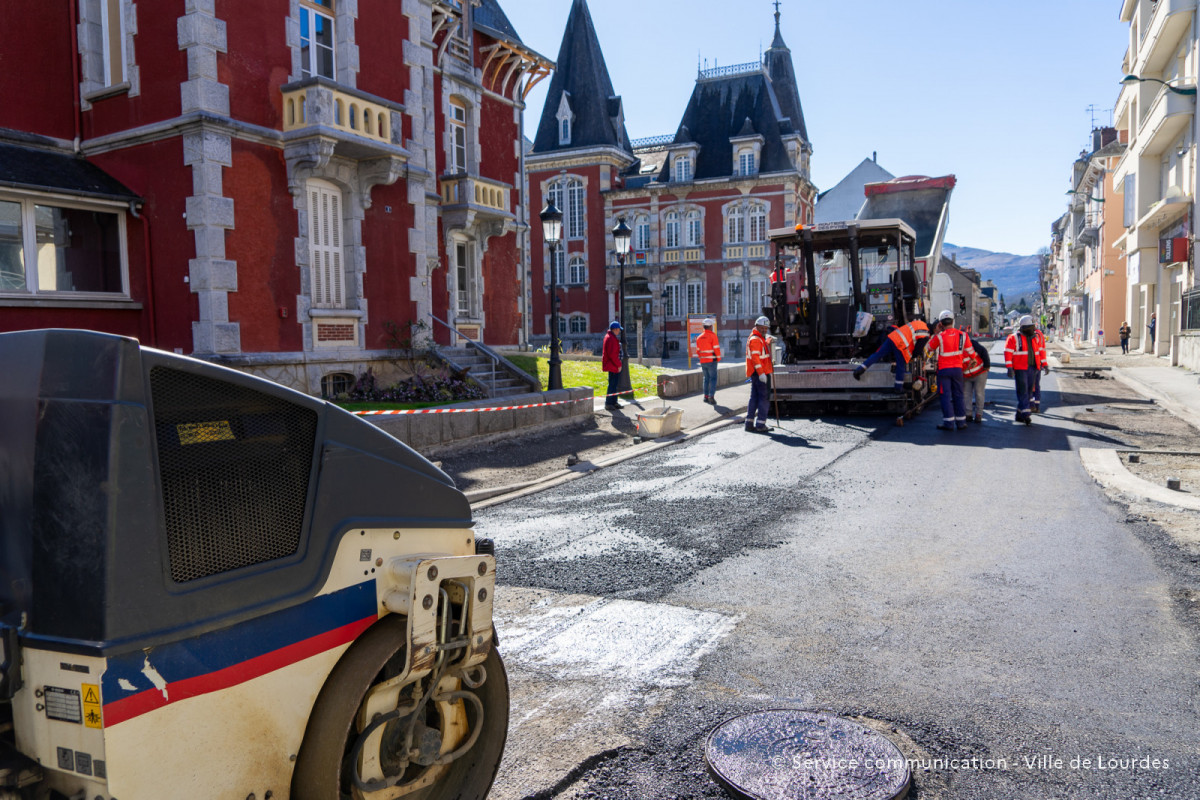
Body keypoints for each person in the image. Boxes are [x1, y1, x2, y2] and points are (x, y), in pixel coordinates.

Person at [852, 315, 930, 392]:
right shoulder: (926, 333)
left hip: (892, 337)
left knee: (877, 355)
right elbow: (917, 350)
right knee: (901, 365)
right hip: (900, 344)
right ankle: (898, 388)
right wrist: (912, 356)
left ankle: (859, 370)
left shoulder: (919, 323)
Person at [925, 309, 968, 430]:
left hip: (944, 371)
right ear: (953, 321)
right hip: (958, 370)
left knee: (945, 396)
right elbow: (970, 352)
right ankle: (961, 422)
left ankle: (949, 423)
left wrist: (937, 332)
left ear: (941, 323)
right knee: (958, 395)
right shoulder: (962, 335)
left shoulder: (940, 337)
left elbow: (929, 347)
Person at [1004, 314, 1048, 425]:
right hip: (1020, 368)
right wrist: (1009, 368)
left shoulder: (1035, 337)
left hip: (1033, 368)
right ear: (1024, 327)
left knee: (1029, 392)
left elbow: (1041, 352)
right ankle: (1026, 414)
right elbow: (1008, 353)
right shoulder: (1013, 338)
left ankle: (1019, 414)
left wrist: (1045, 364)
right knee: (1023, 391)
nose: (1034, 329)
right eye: (1031, 327)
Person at [744, 315, 774, 433]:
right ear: (757, 326)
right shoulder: (756, 339)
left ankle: (749, 423)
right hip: (761, 373)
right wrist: (762, 374)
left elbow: (759, 352)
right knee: (764, 398)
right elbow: (756, 358)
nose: (765, 330)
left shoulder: (757, 338)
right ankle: (761, 424)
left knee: (754, 398)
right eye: (762, 328)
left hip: (757, 373)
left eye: (766, 328)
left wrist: (766, 342)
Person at [962, 334, 991, 422]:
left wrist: (987, 365)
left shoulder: (972, 344)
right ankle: (968, 414)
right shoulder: (955, 348)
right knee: (966, 394)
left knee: (979, 393)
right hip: (966, 375)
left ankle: (979, 414)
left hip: (980, 372)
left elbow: (983, 351)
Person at [696, 318, 722, 404]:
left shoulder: (699, 337)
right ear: (711, 326)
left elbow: (698, 351)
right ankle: (711, 396)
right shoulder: (713, 336)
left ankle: (705, 396)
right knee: (713, 379)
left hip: (703, 361)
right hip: (712, 361)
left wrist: (701, 358)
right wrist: (718, 358)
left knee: (706, 379)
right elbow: (716, 349)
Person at [602, 321, 623, 410]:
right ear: (615, 329)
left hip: (612, 364)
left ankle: (614, 402)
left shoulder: (610, 337)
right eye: (618, 329)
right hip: (612, 365)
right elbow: (612, 355)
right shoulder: (611, 338)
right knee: (612, 384)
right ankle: (609, 403)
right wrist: (619, 365)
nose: (619, 331)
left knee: (614, 384)